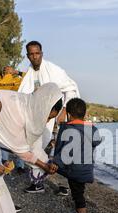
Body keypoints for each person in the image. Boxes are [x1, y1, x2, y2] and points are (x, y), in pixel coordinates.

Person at [12, 41, 80, 195]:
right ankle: (38, 183)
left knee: (61, 151)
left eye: (37, 53)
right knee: (34, 148)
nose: (35, 57)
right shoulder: (29, 74)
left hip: (57, 118)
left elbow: (71, 88)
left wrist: (64, 110)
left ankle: (65, 186)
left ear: (42, 53)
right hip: (39, 119)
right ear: (27, 55)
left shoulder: (54, 71)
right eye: (31, 54)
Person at [53, 98, 102, 213]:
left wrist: (55, 162)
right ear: (84, 114)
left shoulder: (70, 129)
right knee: (77, 191)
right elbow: (97, 141)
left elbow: (66, 152)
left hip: (75, 169)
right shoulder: (91, 128)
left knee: (77, 194)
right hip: (86, 168)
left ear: (69, 114)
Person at [0, 67, 26, 174]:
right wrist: (17, 72)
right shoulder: (17, 81)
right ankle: (20, 166)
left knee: (3, 139)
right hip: (15, 114)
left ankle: (5, 162)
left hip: (2, 114)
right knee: (19, 139)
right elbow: (28, 77)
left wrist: (1, 74)